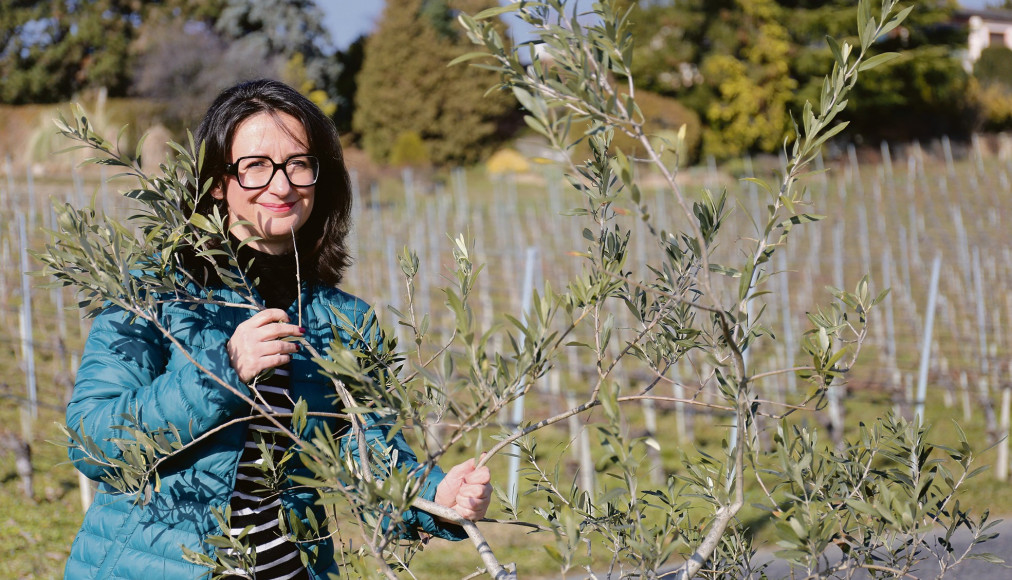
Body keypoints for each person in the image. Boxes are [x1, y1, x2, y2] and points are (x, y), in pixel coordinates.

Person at [64, 79, 492, 579]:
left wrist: (433, 497)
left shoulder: (343, 320)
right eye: (256, 167)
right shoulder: (155, 293)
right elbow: (92, 442)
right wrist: (222, 370)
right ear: (217, 183)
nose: (282, 185)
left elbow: (368, 448)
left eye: (298, 165)